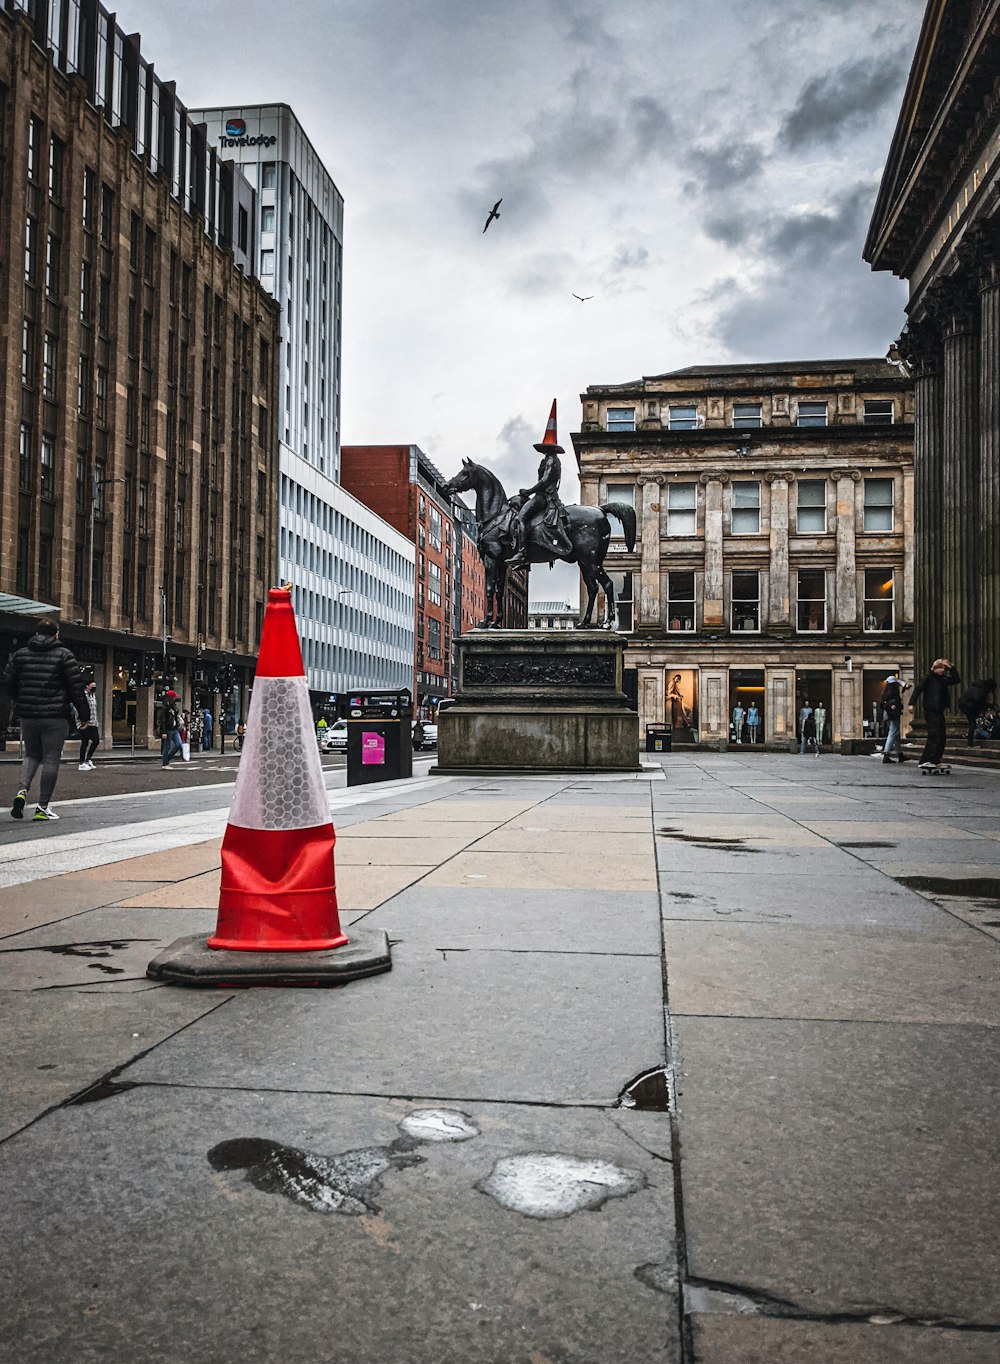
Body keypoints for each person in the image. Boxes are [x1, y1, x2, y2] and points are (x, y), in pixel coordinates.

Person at [0, 619, 89, 821]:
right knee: (51, 758)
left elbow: (8, 682)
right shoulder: (64, 656)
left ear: (37, 633)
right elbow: (76, 688)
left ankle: (22, 792)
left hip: (28, 715)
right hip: (55, 717)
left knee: (31, 755)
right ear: (55, 634)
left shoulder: (20, 655)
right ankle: (42, 807)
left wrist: (20, 700)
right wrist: (84, 716)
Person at [506, 402, 573, 567]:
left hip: (545, 497)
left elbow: (544, 482)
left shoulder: (551, 460)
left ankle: (522, 553)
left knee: (520, 518)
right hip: (545, 495)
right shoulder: (549, 460)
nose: (544, 449)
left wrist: (528, 491)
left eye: (545, 447)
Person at [909, 657, 961, 770]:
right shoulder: (928, 678)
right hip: (930, 709)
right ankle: (926, 760)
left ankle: (936, 759)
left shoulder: (942, 679)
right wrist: (911, 703)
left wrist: (951, 667)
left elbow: (956, 680)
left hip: (939, 709)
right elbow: (918, 689)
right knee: (934, 734)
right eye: (941, 668)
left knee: (942, 735)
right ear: (935, 668)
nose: (943, 670)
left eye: (944, 669)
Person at [957, 677, 996, 748]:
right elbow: (978, 700)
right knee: (973, 723)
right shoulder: (982, 689)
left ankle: (970, 743)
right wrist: (988, 706)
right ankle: (970, 744)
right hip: (968, 706)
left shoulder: (978, 686)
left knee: (973, 723)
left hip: (965, 705)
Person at [880, 675, 908, 764]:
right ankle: (886, 754)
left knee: (896, 734)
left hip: (887, 714)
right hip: (893, 714)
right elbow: (905, 686)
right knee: (892, 732)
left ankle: (900, 754)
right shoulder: (894, 693)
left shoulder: (885, 693)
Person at [77, 681, 100, 771]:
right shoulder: (83, 696)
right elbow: (78, 708)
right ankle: (81, 762)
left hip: (93, 722)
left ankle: (88, 759)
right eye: (92, 686)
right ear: (87, 686)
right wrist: (80, 722)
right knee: (85, 742)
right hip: (85, 723)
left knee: (96, 741)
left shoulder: (93, 695)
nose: (94, 687)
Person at [159, 689, 183, 767]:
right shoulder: (165, 708)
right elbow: (163, 720)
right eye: (173, 697)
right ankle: (165, 763)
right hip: (168, 729)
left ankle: (167, 759)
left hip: (174, 729)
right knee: (167, 746)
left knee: (179, 744)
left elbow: (175, 717)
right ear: (170, 697)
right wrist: (164, 732)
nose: (175, 699)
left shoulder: (173, 707)